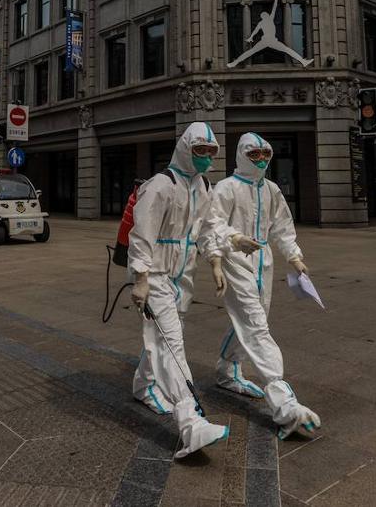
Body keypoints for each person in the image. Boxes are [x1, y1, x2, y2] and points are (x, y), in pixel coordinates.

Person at [205, 132, 321, 440]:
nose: (261, 160)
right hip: (235, 261)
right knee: (256, 325)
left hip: (262, 263)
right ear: (242, 155)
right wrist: (233, 238)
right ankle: (284, 403)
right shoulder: (226, 188)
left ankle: (227, 369)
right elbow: (212, 222)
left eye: (265, 154)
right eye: (254, 154)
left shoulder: (271, 189)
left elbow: (282, 226)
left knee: (253, 320)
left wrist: (294, 257)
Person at [129, 121, 230, 458]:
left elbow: (207, 229)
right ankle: (191, 422)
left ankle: (143, 386)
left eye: (210, 151)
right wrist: (140, 276)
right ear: (186, 148)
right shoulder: (160, 185)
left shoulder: (202, 187)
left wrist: (214, 260)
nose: (205, 157)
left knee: (162, 339)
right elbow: (141, 233)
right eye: (199, 150)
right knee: (172, 344)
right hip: (157, 275)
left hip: (182, 275)